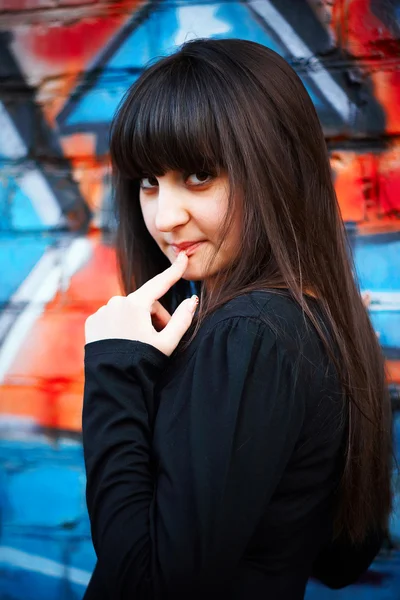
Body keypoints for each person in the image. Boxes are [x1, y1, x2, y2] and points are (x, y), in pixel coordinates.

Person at [81, 38, 392, 599]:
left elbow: (148, 585)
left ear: (277, 171)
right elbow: (344, 553)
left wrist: (114, 373)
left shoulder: (249, 333)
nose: (165, 216)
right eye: (149, 181)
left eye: (200, 175)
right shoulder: (319, 320)